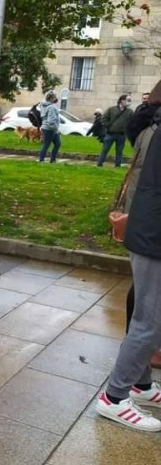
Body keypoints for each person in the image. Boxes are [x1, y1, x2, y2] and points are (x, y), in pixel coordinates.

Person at [95, 117, 161, 433]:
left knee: (152, 319)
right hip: (154, 235)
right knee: (149, 321)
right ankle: (114, 397)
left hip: (150, 229)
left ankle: (142, 384)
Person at [123, 80, 161, 370]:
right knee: (146, 314)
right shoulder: (154, 131)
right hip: (150, 220)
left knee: (143, 295)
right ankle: (117, 394)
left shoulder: (147, 126)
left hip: (143, 215)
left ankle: (141, 378)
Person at [98, 94, 134, 168]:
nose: (129, 102)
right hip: (110, 134)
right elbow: (103, 119)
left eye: (130, 100)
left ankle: (118, 165)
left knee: (119, 151)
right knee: (105, 149)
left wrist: (126, 129)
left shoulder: (130, 111)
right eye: (128, 100)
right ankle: (100, 163)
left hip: (121, 135)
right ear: (122, 100)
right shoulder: (111, 109)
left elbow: (131, 122)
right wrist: (109, 126)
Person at [37, 91, 61, 163]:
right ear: (52, 98)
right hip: (49, 128)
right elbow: (51, 120)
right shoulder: (51, 107)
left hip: (49, 128)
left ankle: (53, 160)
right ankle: (41, 160)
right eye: (55, 97)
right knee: (46, 144)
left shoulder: (45, 105)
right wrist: (56, 130)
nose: (56, 98)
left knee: (57, 143)